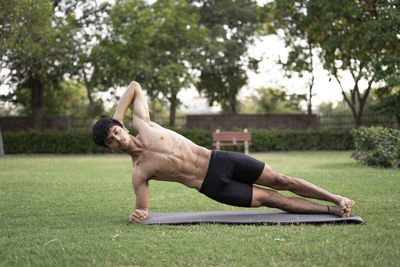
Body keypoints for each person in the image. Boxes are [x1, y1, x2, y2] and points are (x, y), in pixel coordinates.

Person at [92, 81, 355, 224]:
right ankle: (330, 211)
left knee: (281, 180)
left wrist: (115, 118)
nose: (117, 139)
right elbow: (143, 210)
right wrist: (137, 214)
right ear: (110, 149)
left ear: (123, 128)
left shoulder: (143, 124)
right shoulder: (139, 173)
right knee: (272, 199)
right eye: (110, 141)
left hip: (221, 160)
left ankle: (337, 198)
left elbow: (134, 86)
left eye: (116, 132)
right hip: (212, 185)